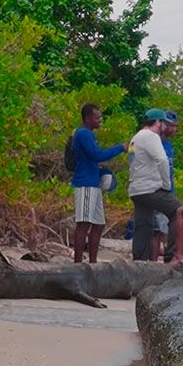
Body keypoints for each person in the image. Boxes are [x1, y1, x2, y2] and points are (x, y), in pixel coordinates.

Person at [67, 104, 124, 263]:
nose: (100, 120)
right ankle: (78, 262)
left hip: (94, 183)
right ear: (87, 119)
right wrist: (120, 148)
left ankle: (93, 261)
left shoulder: (89, 135)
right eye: (97, 117)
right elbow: (96, 155)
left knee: (99, 224)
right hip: (85, 183)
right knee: (83, 223)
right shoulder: (84, 134)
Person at [127, 108, 182, 262]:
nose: (165, 126)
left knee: (143, 227)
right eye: (164, 122)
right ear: (158, 122)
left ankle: (139, 262)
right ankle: (171, 256)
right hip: (150, 189)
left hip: (136, 189)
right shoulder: (151, 136)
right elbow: (162, 160)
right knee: (179, 212)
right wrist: (166, 185)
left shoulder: (136, 137)